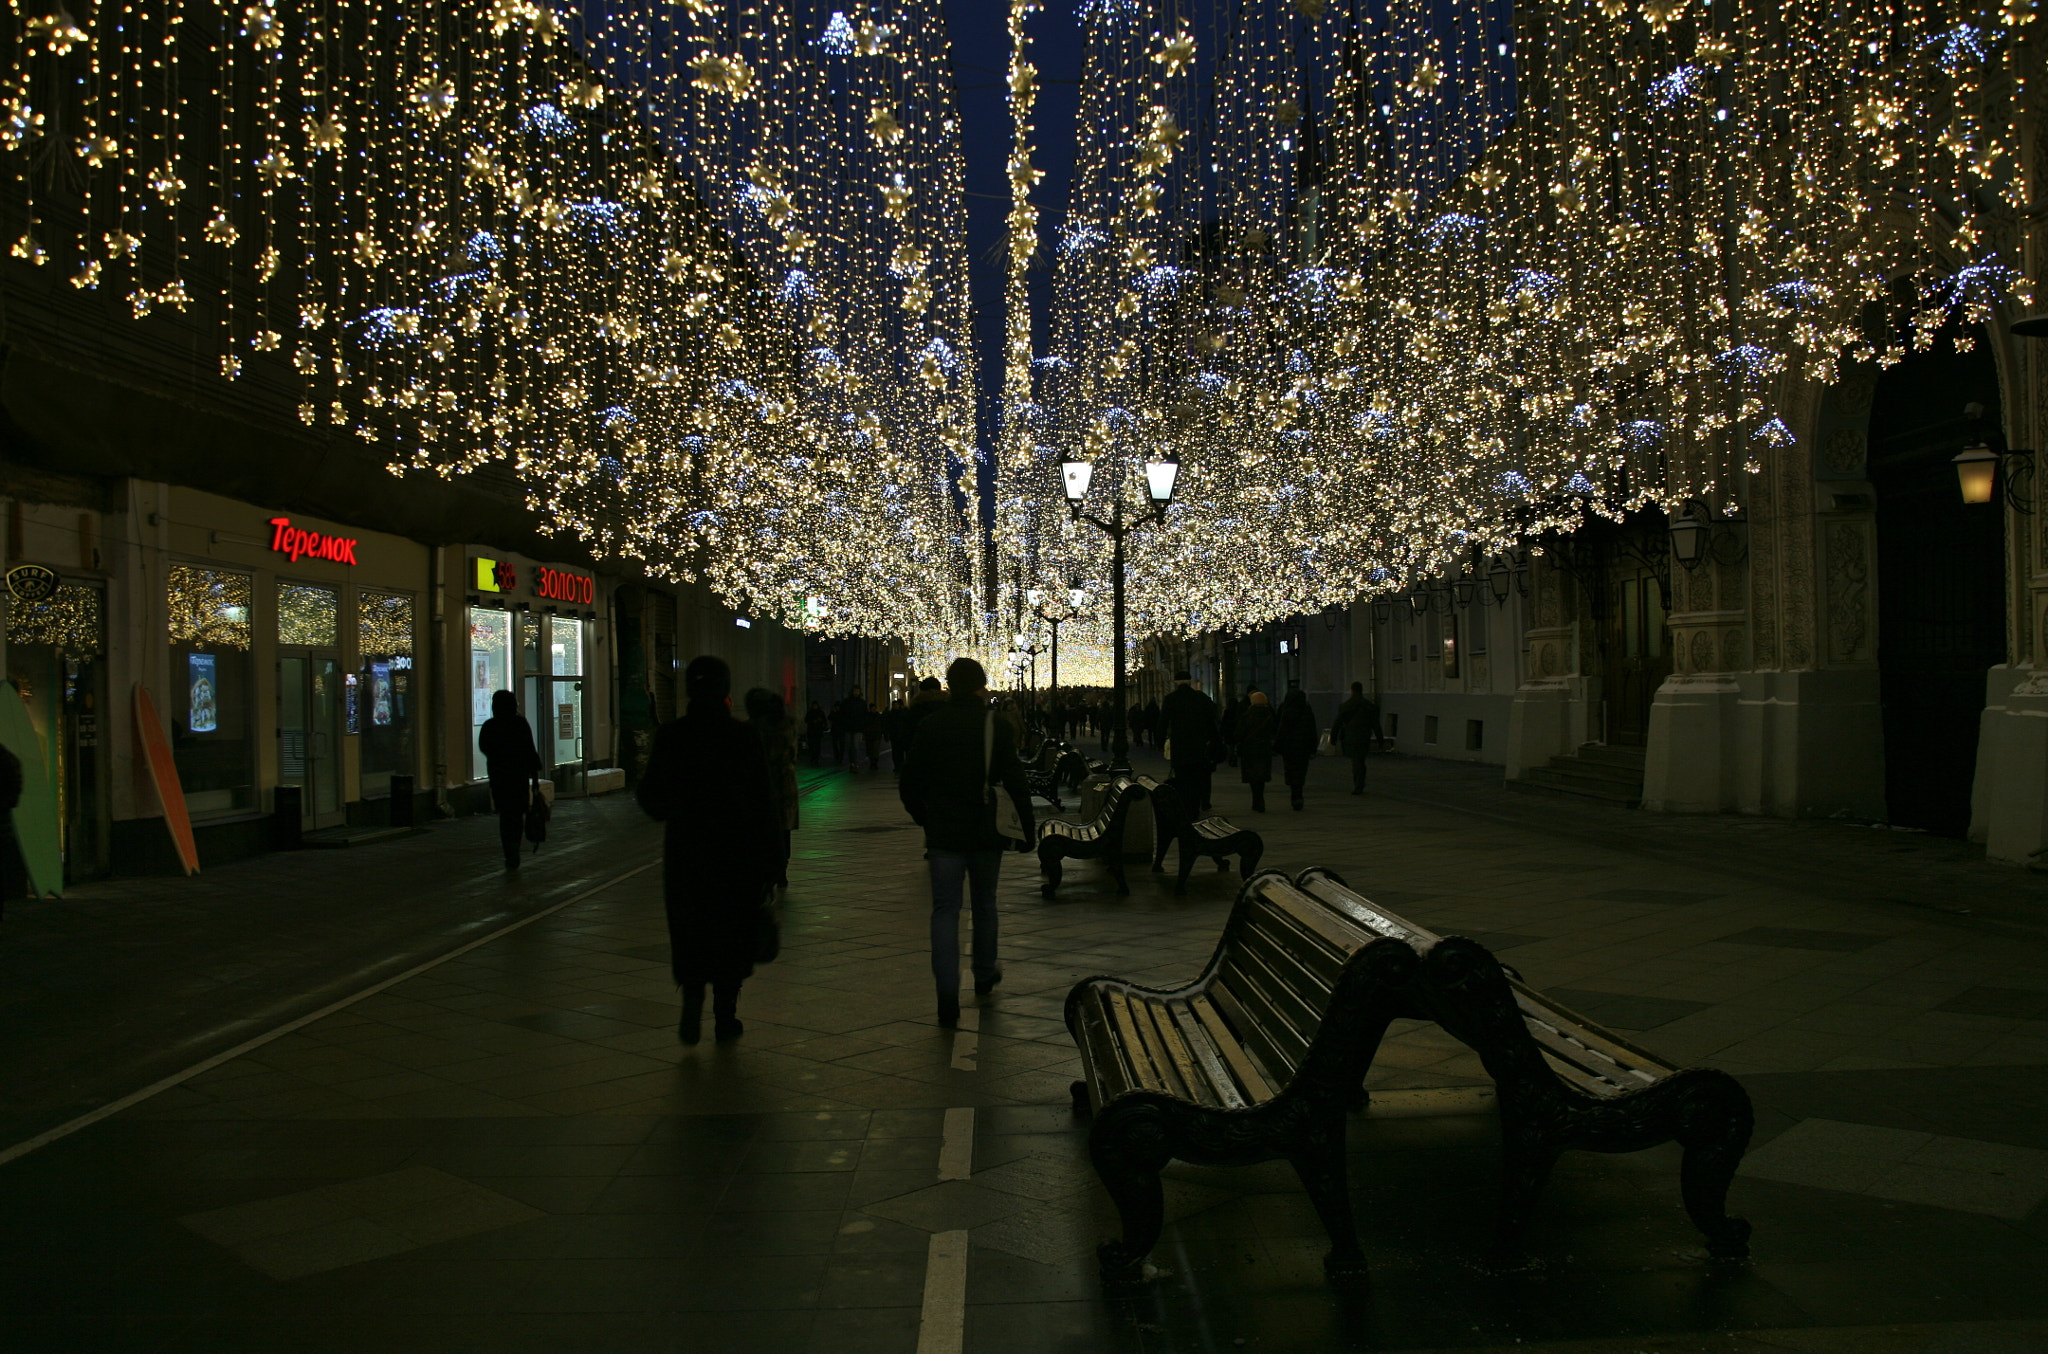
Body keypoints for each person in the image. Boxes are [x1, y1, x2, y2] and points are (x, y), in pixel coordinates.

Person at [638, 655, 778, 1045]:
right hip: (735, 853)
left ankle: (692, 995)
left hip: (687, 853)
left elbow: (651, 797)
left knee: (689, 926)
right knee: (730, 929)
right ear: (725, 690)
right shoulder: (742, 737)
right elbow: (763, 801)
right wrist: (768, 860)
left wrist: (674, 809)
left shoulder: (672, 736)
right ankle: (725, 1014)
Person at [899, 657, 1035, 1027]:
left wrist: (924, 817)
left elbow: (909, 783)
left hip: (943, 831)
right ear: (980, 686)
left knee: (944, 910)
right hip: (986, 829)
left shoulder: (931, 724)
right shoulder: (996, 726)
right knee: (985, 904)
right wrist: (1027, 829)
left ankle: (946, 993)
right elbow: (1016, 781)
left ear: (949, 687)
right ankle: (984, 973)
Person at [745, 687, 800, 899]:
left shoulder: (754, 728)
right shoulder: (789, 726)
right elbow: (792, 753)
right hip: (785, 782)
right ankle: (781, 871)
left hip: (761, 784)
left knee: (762, 831)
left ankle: (766, 875)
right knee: (783, 830)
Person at [477, 690, 541, 870]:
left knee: (505, 817)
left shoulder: (490, 726)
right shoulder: (519, 724)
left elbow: (485, 747)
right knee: (517, 816)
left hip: (499, 780)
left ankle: (509, 852)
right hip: (518, 779)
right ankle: (515, 849)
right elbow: (530, 751)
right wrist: (534, 780)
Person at [1160, 670, 1221, 813]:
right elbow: (1212, 720)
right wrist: (1214, 741)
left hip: (1180, 747)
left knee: (1182, 777)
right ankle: (1197, 804)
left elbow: (1162, 722)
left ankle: (1185, 806)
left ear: (1176, 683)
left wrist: (1159, 742)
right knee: (1197, 776)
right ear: (1190, 681)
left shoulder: (1171, 699)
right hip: (1198, 746)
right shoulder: (1200, 698)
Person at [1332, 681, 1385, 795]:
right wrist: (1381, 740)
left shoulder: (1346, 706)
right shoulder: (1369, 706)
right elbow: (1376, 725)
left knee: (1356, 761)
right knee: (1360, 760)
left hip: (1350, 737)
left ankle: (1358, 784)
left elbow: (1337, 723)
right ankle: (1360, 783)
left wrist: (1333, 738)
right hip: (1364, 736)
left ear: (1352, 690)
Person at [1275, 683, 1320, 811]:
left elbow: (1281, 729)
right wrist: (1313, 748)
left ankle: (1294, 793)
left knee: (1290, 770)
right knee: (1301, 771)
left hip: (1289, 748)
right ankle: (1298, 793)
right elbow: (1312, 730)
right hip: (1303, 748)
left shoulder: (1285, 710)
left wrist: (1277, 746)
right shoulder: (1306, 710)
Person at [1236, 689, 1275, 812]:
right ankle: (1260, 799)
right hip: (1264, 748)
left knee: (1253, 776)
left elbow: (1239, 733)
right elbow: (1274, 731)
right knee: (1261, 775)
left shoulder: (1247, 716)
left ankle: (1256, 799)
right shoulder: (1270, 715)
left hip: (1250, 749)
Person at [863, 701, 886, 772]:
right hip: (869, 735)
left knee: (875, 749)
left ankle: (874, 762)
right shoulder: (867, 716)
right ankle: (872, 762)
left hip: (876, 735)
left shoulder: (878, 716)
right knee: (870, 749)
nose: (873, 709)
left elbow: (882, 725)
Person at [804, 700, 828, 765]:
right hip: (812, 731)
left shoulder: (820, 713)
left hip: (817, 731)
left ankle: (816, 757)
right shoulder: (811, 713)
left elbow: (824, 721)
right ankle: (814, 757)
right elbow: (806, 720)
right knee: (812, 745)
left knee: (817, 745)